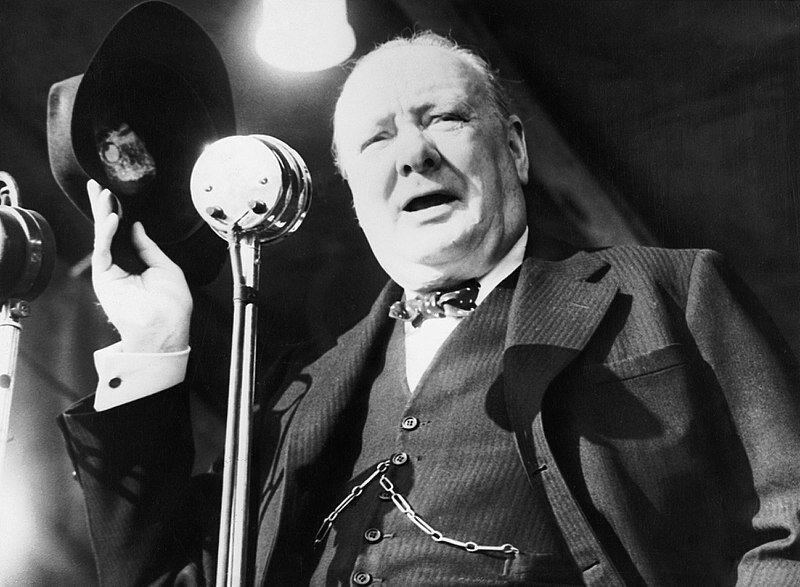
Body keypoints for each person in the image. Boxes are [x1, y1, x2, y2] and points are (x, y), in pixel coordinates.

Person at [59, 32, 800, 586]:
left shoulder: (673, 292)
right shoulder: (295, 401)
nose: (413, 154)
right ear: (355, 196)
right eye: (377, 139)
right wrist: (153, 341)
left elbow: (792, 520)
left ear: (515, 149)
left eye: (442, 117)